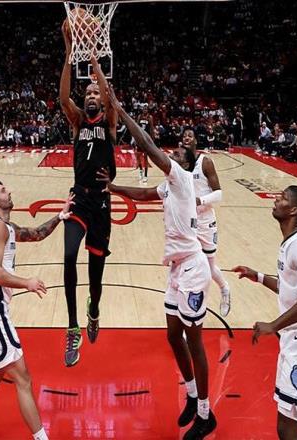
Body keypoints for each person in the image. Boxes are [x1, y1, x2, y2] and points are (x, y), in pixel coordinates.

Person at [98, 86, 217, 439]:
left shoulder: (182, 178)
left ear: (183, 164)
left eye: (178, 152)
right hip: (177, 268)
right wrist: (115, 189)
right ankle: (192, 396)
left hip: (193, 268)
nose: (174, 152)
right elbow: (146, 193)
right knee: (172, 335)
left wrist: (120, 110)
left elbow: (148, 146)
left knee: (194, 342)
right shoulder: (170, 186)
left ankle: (206, 413)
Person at [0, 181, 74, 440]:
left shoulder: (7, 227)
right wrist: (27, 283)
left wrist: (60, 216)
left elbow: (37, 233)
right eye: (2, 191)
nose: (8, 191)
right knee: (24, 379)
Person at [233, 185, 297, 440]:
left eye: (283, 198)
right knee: (287, 429)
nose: (276, 199)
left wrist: (273, 325)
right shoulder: (290, 242)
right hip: (294, 340)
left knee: (287, 430)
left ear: (293, 210)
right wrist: (257, 276)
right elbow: (290, 289)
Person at [59, 23, 117, 366]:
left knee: (96, 278)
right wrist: (70, 53)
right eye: (89, 93)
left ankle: (94, 309)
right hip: (79, 198)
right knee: (69, 256)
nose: (92, 96)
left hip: (102, 203)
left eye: (96, 93)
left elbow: (109, 96)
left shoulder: (108, 123)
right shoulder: (79, 121)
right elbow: (63, 97)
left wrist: (94, 58)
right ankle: (72, 328)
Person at [183, 129, 231, 317]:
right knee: (188, 265)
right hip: (187, 222)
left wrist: (200, 200)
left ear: (196, 140)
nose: (186, 137)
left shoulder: (205, 162)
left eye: (190, 135)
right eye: (184, 135)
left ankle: (224, 288)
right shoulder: (180, 163)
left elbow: (219, 193)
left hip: (205, 222)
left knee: (209, 268)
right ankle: (190, 309)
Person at [131, 105, 153, 183]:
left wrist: (152, 140)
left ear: (148, 110)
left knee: (145, 158)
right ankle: (141, 171)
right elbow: (136, 127)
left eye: (146, 109)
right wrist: (135, 138)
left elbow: (151, 129)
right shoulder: (139, 116)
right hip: (140, 139)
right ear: (142, 110)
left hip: (146, 140)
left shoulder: (150, 117)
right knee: (138, 156)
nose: (145, 110)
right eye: (144, 109)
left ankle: (146, 175)